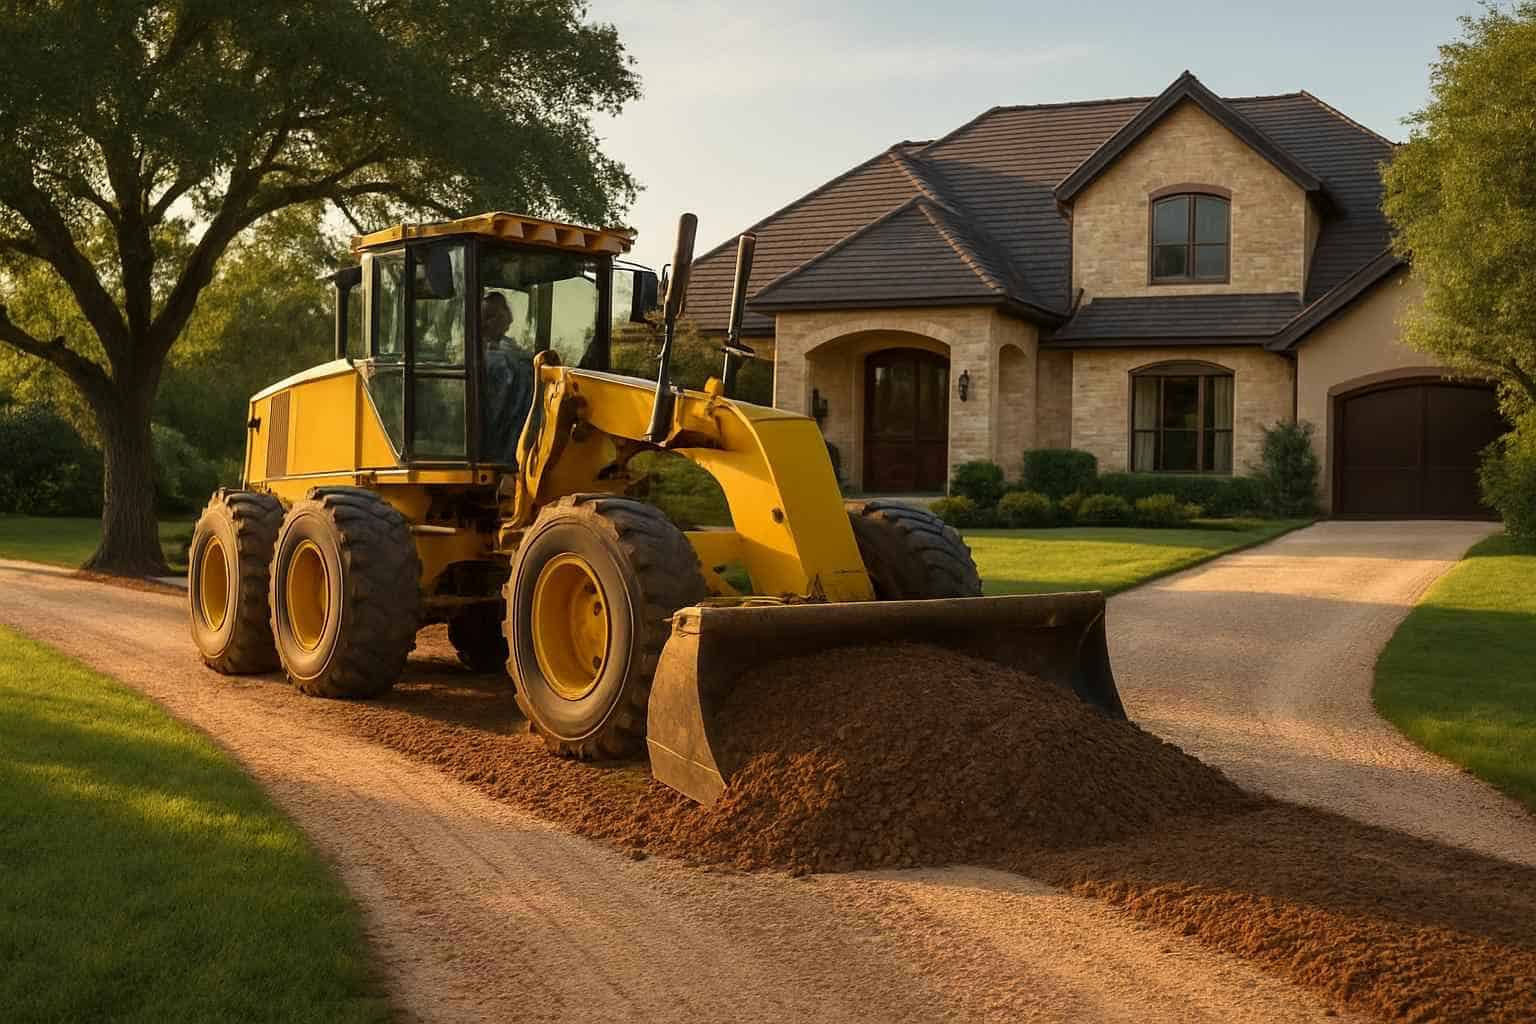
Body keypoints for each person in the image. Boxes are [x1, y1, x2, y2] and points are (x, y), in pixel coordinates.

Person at [479, 292, 534, 466]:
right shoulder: (484, 356)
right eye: (489, 316)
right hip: (494, 439)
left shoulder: (511, 350)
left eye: (499, 315)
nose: (494, 321)